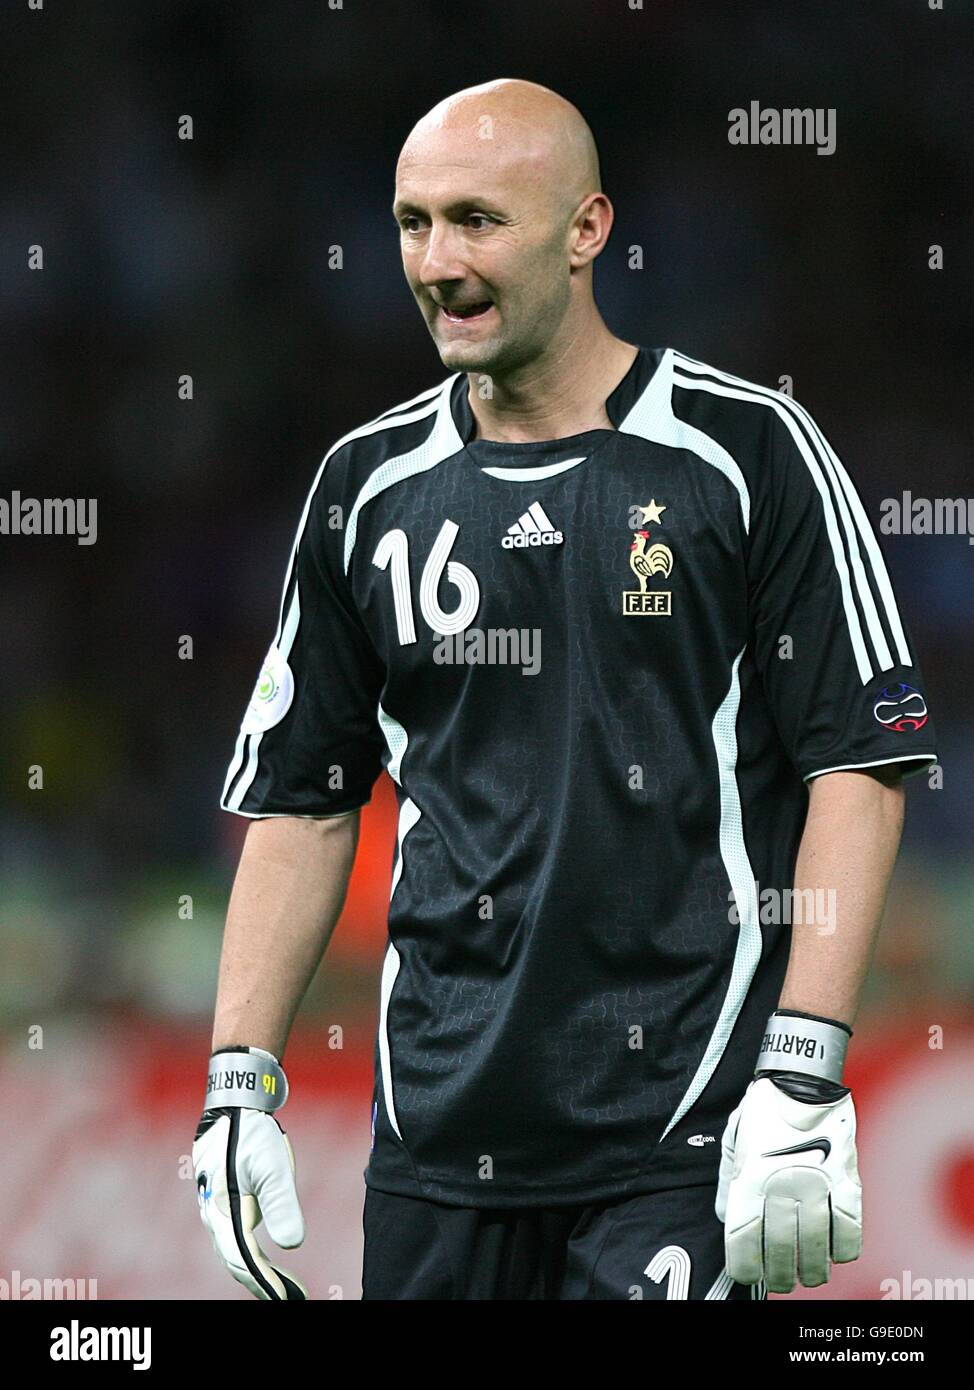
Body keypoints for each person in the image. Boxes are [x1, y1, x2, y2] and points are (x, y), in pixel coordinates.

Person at [193, 79, 939, 1300]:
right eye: (411, 222)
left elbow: (855, 765)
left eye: (477, 219)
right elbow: (304, 800)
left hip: (676, 1133)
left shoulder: (746, 453)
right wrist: (238, 1079)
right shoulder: (365, 486)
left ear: (585, 229)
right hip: (434, 1145)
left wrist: (801, 1069)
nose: (437, 261)